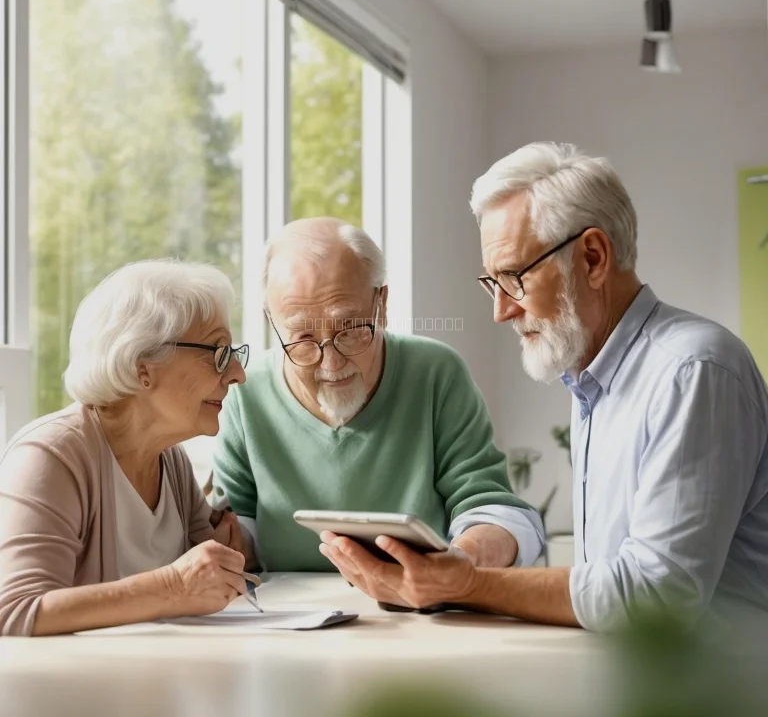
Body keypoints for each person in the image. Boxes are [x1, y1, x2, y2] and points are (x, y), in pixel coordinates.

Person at [319, 142, 768, 632]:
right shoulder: (595, 378)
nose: (501, 310)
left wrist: (465, 584)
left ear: (593, 258)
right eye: (492, 283)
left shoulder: (692, 371)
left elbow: (657, 596)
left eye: (514, 277)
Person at [212, 217, 544, 587]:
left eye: (351, 330)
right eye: (302, 338)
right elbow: (240, 529)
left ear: (381, 304)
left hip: (416, 611)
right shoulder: (244, 390)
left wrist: (458, 563)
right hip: (285, 616)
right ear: (272, 322)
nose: (331, 364)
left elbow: (496, 511)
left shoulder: (435, 372)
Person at [0, 259, 254, 636]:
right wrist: (174, 587)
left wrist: (226, 560)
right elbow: (15, 611)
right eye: (218, 353)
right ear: (143, 368)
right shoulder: (50, 455)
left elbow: (209, 578)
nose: (237, 374)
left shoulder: (171, 461)